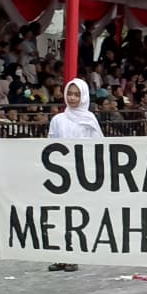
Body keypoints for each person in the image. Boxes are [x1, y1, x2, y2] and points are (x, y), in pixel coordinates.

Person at [45, 78, 103, 273]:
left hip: (81, 173)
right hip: (60, 174)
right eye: (70, 93)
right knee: (61, 215)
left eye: (77, 94)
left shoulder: (89, 120)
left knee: (77, 215)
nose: (72, 98)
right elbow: (50, 145)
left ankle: (74, 254)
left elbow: (97, 146)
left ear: (84, 96)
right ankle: (61, 255)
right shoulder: (58, 120)